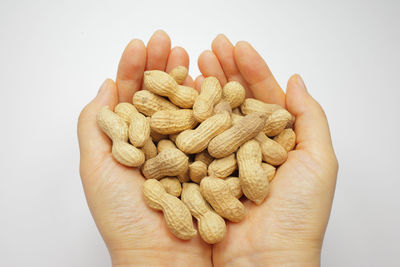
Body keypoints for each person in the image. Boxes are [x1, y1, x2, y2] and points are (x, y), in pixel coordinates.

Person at [77, 30, 338, 266]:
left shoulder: (233, 126)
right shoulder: (175, 134)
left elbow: (221, 139)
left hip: (211, 158)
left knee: (212, 142)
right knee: (193, 142)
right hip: (190, 163)